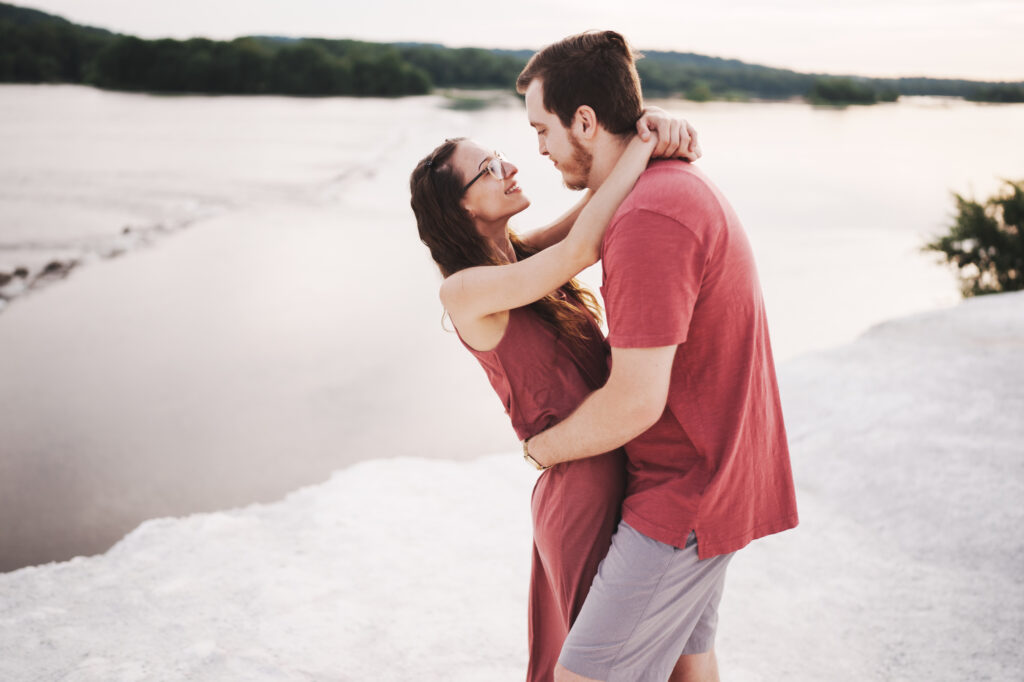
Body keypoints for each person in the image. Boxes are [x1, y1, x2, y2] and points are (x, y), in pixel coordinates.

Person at [516, 31, 800, 682]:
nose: (537, 148)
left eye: (542, 129)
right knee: (687, 665)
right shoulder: (657, 188)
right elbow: (555, 250)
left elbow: (635, 401)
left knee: (582, 676)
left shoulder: (651, 217)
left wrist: (543, 450)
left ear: (584, 121)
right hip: (711, 473)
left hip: (685, 493)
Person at [409, 110, 699, 682]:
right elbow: (581, 248)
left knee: (661, 654)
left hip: (622, 466)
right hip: (581, 486)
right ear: (462, 206)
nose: (511, 166)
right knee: (602, 665)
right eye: (489, 169)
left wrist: (654, 132)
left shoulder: (517, 258)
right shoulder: (464, 291)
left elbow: (591, 217)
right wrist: (642, 146)